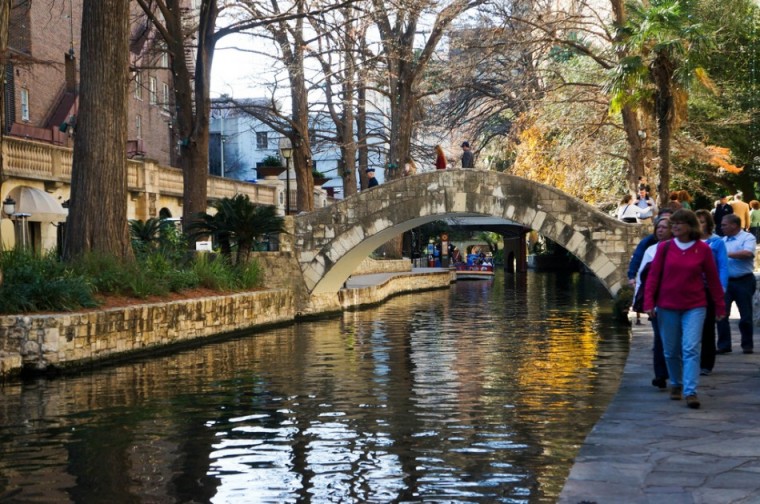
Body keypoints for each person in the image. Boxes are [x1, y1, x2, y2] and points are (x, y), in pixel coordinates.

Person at [644, 209, 726, 409]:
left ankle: (690, 391)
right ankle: (676, 383)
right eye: (673, 224)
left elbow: (713, 280)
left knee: (690, 348)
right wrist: (648, 303)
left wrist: (720, 305)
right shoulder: (664, 248)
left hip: (695, 306)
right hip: (667, 305)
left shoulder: (703, 249)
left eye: (679, 223)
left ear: (690, 226)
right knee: (670, 350)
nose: (675, 227)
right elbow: (653, 277)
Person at [634, 215, 673, 388]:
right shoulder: (651, 251)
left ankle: (677, 374)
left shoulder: (682, 250)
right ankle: (661, 374)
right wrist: (641, 302)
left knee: (677, 340)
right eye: (658, 227)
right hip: (658, 302)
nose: (660, 230)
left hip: (679, 301)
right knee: (660, 338)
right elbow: (643, 278)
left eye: (664, 227)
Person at [716, 214, 757, 354]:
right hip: (726, 282)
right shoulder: (722, 240)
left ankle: (747, 345)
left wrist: (726, 254)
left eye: (724, 225)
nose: (721, 227)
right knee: (722, 314)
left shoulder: (748, 238)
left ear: (734, 225)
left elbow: (748, 253)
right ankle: (724, 345)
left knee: (745, 315)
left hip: (743, 280)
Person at [695, 210, 729, 376]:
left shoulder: (716, 242)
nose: (700, 225)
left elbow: (723, 266)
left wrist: (721, 288)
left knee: (708, 327)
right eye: (697, 221)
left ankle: (706, 363)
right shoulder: (690, 242)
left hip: (709, 288)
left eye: (702, 221)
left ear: (708, 223)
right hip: (692, 289)